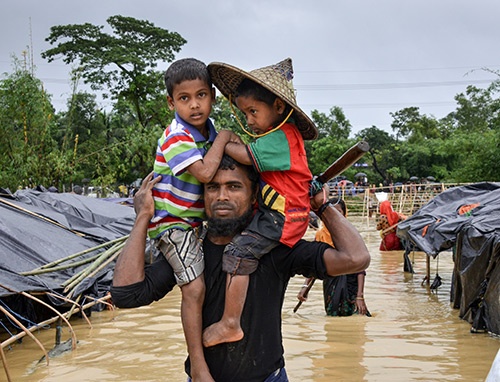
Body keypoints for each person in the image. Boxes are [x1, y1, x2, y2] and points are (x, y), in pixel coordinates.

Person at [111, 155, 370, 382]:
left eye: (234, 187)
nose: (222, 196)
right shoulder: (189, 251)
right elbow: (126, 294)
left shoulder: (276, 249)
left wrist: (322, 207)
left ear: (254, 194)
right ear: (203, 195)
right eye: (213, 187)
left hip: (269, 377)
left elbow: (356, 258)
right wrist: (143, 217)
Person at [203, 57, 320, 347]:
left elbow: (244, 156)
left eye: (253, 112)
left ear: (279, 107)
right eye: (245, 114)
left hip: (282, 218)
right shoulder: (281, 137)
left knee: (238, 253)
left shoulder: (281, 138)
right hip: (281, 214)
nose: (249, 121)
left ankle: (230, 323)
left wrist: (221, 140)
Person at [147, 58, 237, 381]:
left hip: (196, 224)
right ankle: (198, 366)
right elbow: (204, 172)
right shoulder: (176, 136)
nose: (195, 105)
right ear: (171, 102)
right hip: (173, 225)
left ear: (212, 96)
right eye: (184, 98)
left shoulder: (207, 131)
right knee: (195, 289)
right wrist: (226, 138)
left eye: (201, 95)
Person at [297, 198, 370, 317]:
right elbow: (314, 262)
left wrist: (360, 296)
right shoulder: (320, 235)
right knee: (332, 314)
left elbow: (360, 268)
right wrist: (305, 286)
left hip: (350, 280)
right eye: (332, 213)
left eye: (338, 212)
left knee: (353, 315)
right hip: (330, 279)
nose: (335, 217)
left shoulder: (351, 235)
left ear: (344, 214)